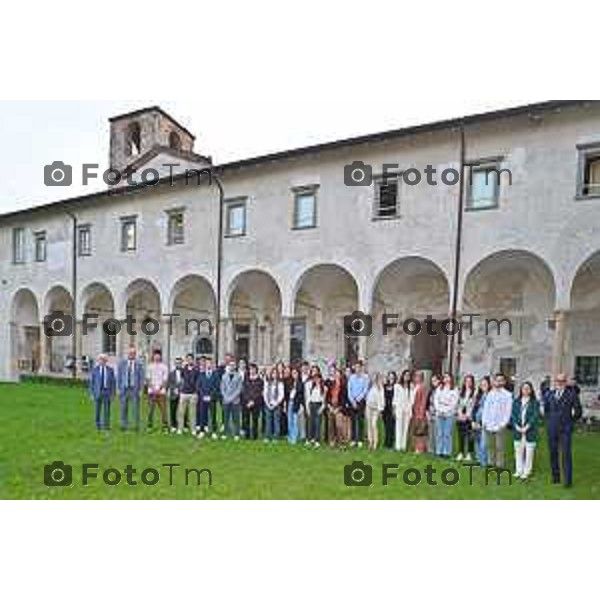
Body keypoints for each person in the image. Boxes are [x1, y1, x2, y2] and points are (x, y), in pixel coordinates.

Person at [543, 373, 582, 487]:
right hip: (552, 429)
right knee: (553, 453)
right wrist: (549, 422)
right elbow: (546, 410)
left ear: (565, 382)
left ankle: (567, 481)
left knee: (566, 454)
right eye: (558, 381)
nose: (560, 383)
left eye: (562, 381)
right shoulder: (549, 394)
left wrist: (570, 421)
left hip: (565, 429)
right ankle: (556, 478)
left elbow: (578, 411)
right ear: (555, 382)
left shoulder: (572, 394)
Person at [481, 373, 513, 468]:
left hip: (500, 424)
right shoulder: (491, 393)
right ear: (494, 382)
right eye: (497, 380)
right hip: (489, 423)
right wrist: (484, 422)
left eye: (501, 380)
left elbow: (508, 411)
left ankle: (499, 464)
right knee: (490, 445)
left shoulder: (507, 395)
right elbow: (486, 409)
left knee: (500, 446)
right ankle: (491, 462)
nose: (498, 382)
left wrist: (503, 424)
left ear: (504, 382)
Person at [511, 381, 539, 480]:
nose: (526, 390)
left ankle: (527, 471)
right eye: (524, 388)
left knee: (529, 452)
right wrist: (516, 426)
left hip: (530, 431)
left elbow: (535, 416)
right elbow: (513, 415)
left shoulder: (535, 402)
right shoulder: (516, 401)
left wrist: (527, 426)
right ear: (521, 390)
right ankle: (519, 470)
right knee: (518, 452)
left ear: (531, 390)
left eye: (528, 388)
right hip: (517, 430)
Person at [117, 346, 145, 431]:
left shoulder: (139, 364)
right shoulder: (122, 363)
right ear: (127, 354)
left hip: (134, 389)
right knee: (123, 408)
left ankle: (136, 425)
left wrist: (141, 389)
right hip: (124, 388)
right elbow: (119, 376)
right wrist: (118, 388)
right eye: (130, 353)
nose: (131, 355)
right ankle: (123, 425)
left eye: (133, 353)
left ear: (135, 354)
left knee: (135, 408)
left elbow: (141, 378)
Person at [434, 373, 459, 458]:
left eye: (448, 377)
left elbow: (454, 403)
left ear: (451, 378)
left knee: (447, 433)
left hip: (449, 414)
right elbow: (436, 401)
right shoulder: (439, 388)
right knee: (440, 433)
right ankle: (439, 451)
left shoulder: (454, 389)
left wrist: (445, 411)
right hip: (439, 413)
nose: (446, 379)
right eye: (444, 377)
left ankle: (446, 452)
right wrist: (440, 410)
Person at [89, 354, 115, 431]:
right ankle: (98, 425)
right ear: (98, 360)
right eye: (101, 359)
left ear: (106, 361)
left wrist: (113, 394)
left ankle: (106, 426)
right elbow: (92, 383)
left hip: (107, 392)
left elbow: (113, 382)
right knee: (97, 409)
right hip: (98, 392)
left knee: (107, 410)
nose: (102, 361)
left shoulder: (110, 370)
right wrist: (91, 394)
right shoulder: (95, 370)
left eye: (104, 359)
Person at [146, 349, 169, 431]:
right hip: (151, 392)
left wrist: (159, 389)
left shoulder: (164, 367)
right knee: (150, 410)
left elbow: (165, 380)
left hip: (161, 392)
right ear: (153, 356)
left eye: (158, 355)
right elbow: (148, 379)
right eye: (155, 355)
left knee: (163, 410)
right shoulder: (149, 366)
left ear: (160, 356)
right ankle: (149, 425)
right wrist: (153, 389)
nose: (157, 357)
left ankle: (165, 425)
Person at [347, 361, 369, 447]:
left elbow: (365, 390)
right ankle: (353, 439)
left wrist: (358, 399)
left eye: (359, 367)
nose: (357, 369)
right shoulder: (351, 377)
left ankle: (360, 439)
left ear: (361, 368)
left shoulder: (365, 377)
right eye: (355, 367)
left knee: (360, 420)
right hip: (352, 401)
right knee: (353, 420)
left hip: (361, 401)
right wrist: (352, 401)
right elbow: (349, 390)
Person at [197, 357, 220, 438]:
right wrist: (203, 395)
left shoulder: (215, 374)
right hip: (203, 398)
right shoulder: (201, 374)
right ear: (205, 364)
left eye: (210, 363)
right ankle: (202, 430)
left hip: (212, 398)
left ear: (212, 364)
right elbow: (199, 386)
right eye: (207, 363)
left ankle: (214, 431)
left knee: (213, 415)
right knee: (202, 415)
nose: (208, 365)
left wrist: (211, 396)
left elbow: (217, 387)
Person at [220, 360, 243, 440]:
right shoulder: (224, 376)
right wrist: (226, 397)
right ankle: (225, 433)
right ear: (229, 366)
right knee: (225, 418)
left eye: (233, 365)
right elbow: (222, 388)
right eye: (230, 365)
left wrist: (232, 398)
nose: (232, 366)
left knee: (235, 418)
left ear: (235, 366)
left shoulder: (239, 376)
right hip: (225, 400)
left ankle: (236, 433)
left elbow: (239, 389)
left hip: (235, 400)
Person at [456, 374, 476, 461]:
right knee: (461, 436)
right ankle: (461, 453)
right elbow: (458, 404)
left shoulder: (475, 392)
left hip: (469, 417)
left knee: (470, 437)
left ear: (472, 383)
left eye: (470, 381)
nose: (468, 383)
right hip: (460, 418)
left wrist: (467, 416)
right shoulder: (461, 392)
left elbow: (473, 405)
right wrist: (460, 414)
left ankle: (469, 454)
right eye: (466, 381)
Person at [177, 353, 198, 436]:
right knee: (181, 412)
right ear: (186, 360)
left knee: (192, 413)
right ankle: (180, 428)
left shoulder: (196, 370)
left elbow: (197, 381)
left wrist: (196, 391)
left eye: (191, 359)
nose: (189, 360)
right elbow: (181, 380)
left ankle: (193, 429)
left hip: (193, 393)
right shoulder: (183, 369)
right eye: (188, 359)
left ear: (193, 360)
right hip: (184, 393)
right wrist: (181, 389)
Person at [393, 369, 414, 451]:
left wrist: (412, 390)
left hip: (407, 409)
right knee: (398, 427)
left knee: (406, 428)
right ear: (403, 376)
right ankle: (398, 445)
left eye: (408, 375)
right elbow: (395, 398)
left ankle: (403, 446)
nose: (407, 377)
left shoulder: (410, 386)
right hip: (399, 408)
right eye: (405, 375)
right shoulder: (397, 386)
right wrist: (394, 408)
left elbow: (411, 400)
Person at [326, 367, 347, 447]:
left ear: (341, 376)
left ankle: (341, 442)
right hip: (331, 407)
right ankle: (332, 440)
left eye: (338, 375)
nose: (337, 376)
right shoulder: (331, 384)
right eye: (335, 375)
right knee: (331, 425)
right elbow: (327, 397)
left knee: (339, 425)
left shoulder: (343, 386)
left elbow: (344, 400)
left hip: (339, 408)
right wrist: (329, 406)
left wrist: (338, 409)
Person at [472, 376, 491, 465]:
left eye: (485, 384)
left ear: (489, 385)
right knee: (477, 440)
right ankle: (478, 459)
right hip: (476, 420)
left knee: (484, 443)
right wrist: (473, 421)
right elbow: (474, 409)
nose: (483, 386)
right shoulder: (479, 395)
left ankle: (484, 461)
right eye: (482, 384)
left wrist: (482, 423)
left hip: (485, 423)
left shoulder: (491, 396)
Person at [242, 363, 264, 439]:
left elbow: (259, 392)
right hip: (246, 402)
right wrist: (248, 400)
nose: (252, 371)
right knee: (246, 419)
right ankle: (247, 435)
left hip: (256, 403)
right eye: (250, 369)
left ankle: (255, 435)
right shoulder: (246, 379)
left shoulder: (260, 380)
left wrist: (253, 401)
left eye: (253, 369)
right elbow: (244, 391)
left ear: (256, 370)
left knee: (255, 420)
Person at [306, 366, 326, 447]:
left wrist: (321, 408)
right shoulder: (312, 387)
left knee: (318, 423)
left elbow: (324, 400)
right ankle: (310, 439)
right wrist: (307, 408)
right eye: (315, 378)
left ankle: (317, 440)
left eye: (318, 378)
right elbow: (308, 398)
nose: (316, 380)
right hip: (311, 405)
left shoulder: (323, 388)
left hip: (319, 405)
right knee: (311, 423)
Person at [263, 367, 284, 442]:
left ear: (277, 374)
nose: (274, 375)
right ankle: (268, 436)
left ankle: (276, 437)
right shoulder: (268, 383)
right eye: (273, 373)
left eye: (275, 373)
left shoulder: (280, 383)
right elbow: (265, 394)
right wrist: (268, 403)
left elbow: (281, 395)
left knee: (276, 421)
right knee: (268, 421)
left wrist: (275, 404)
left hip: (276, 405)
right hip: (268, 404)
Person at [365, 372, 385, 450]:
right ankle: (370, 441)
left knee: (374, 425)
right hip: (369, 407)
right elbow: (368, 396)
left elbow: (382, 400)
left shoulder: (381, 389)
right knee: (369, 425)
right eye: (378, 378)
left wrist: (380, 410)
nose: (379, 380)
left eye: (380, 378)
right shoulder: (371, 386)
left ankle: (375, 443)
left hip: (376, 409)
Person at [411, 371, 428, 453]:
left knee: (421, 431)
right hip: (413, 411)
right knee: (415, 430)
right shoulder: (414, 386)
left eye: (418, 376)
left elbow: (423, 401)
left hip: (420, 412)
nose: (416, 378)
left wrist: (420, 414)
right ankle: (415, 447)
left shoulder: (423, 387)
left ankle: (420, 448)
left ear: (422, 378)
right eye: (415, 376)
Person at [287, 367, 303, 444]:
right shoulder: (290, 382)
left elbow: (301, 395)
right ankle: (290, 436)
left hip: (296, 403)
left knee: (295, 421)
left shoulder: (300, 383)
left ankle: (294, 438)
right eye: (292, 373)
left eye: (295, 373)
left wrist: (300, 405)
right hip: (290, 402)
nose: (294, 375)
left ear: (298, 374)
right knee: (289, 420)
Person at [167, 357, 184, 432]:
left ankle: (184, 425)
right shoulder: (171, 373)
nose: (178, 364)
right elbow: (169, 383)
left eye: (179, 363)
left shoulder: (185, 372)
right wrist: (174, 389)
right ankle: (173, 425)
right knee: (173, 410)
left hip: (183, 394)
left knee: (183, 411)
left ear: (181, 364)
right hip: (173, 394)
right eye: (176, 363)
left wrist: (180, 390)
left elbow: (186, 382)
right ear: (175, 364)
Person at [427, 374, 441, 454]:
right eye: (432, 381)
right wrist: (427, 413)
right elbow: (427, 403)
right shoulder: (431, 391)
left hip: (438, 413)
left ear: (439, 381)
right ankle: (430, 449)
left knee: (437, 432)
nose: (433, 382)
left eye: (435, 380)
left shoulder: (441, 390)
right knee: (430, 432)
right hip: (430, 413)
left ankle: (437, 449)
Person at [382, 371, 396, 449]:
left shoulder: (396, 387)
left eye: (392, 377)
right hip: (385, 409)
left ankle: (391, 443)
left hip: (392, 409)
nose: (391, 378)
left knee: (392, 427)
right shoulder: (384, 387)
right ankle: (386, 443)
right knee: (386, 427)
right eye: (389, 377)